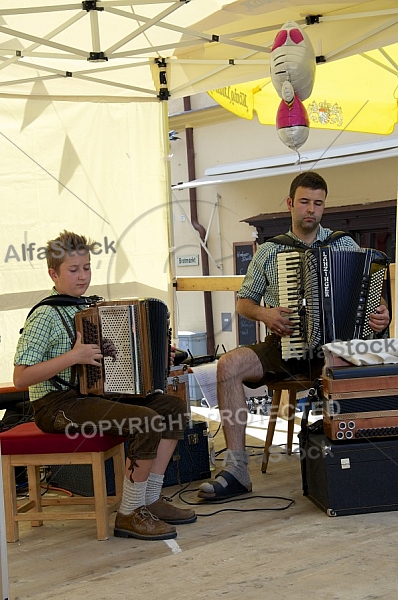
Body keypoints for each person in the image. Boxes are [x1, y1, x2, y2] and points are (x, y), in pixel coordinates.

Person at [198, 171, 390, 500]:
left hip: (336, 348)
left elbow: (369, 291)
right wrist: (265, 314)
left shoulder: (342, 244)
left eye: (318, 203)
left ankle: (365, 463)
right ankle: (236, 470)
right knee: (229, 365)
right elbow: (244, 302)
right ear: (290, 204)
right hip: (284, 346)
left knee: (376, 371)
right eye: (304, 202)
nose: (310, 210)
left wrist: (381, 313)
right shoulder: (270, 251)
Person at [13, 230, 196, 541]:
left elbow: (116, 358)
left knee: (173, 408)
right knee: (145, 421)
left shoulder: (91, 307)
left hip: (89, 397)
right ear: (53, 273)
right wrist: (73, 357)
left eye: (86, 267)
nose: (83, 276)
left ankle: (149, 499)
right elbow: (22, 377)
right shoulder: (46, 314)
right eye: (73, 270)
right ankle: (129, 513)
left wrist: (154, 352)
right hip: (55, 406)